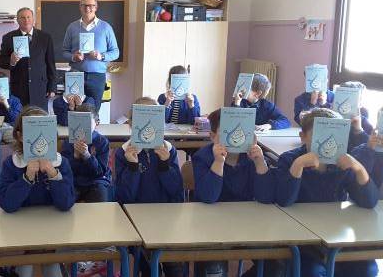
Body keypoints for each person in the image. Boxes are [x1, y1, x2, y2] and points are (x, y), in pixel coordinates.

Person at [276, 108, 378, 277]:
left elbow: (369, 201)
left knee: (368, 269)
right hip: (303, 241)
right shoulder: (289, 160)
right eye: (318, 134)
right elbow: (284, 200)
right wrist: (298, 166)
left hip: (335, 237)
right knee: (312, 272)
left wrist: (359, 169)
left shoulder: (341, 163)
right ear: (303, 137)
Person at [192, 108, 275, 277]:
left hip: (248, 224)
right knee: (213, 269)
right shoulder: (203, 157)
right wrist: (219, 162)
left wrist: (260, 162)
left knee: (277, 265)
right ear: (213, 136)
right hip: (210, 226)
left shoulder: (251, 157)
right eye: (226, 131)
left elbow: (266, 197)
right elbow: (208, 197)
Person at [0, 106, 74, 277]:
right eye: (30, 132)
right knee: (24, 270)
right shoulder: (12, 164)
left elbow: (66, 203)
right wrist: (27, 176)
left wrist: (53, 174)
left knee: (52, 270)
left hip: (54, 230)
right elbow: (7, 205)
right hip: (21, 231)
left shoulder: (61, 163)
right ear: (19, 136)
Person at [115, 97, 184, 277]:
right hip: (136, 221)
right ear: (131, 125)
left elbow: (177, 192)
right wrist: (132, 166)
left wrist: (164, 164)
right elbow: (124, 197)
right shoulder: (123, 153)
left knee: (174, 266)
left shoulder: (168, 150)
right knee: (146, 265)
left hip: (166, 219)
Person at [62, 0, 120, 111]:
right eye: (84, 5)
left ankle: (93, 129)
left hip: (97, 76)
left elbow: (115, 52)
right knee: (74, 110)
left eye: (91, 5)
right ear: (80, 7)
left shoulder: (106, 27)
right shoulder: (72, 27)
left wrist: (101, 56)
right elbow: (64, 52)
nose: (88, 8)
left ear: (96, 7)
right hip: (75, 74)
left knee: (94, 111)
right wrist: (74, 57)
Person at [0, 7, 57, 110]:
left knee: (39, 120)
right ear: (17, 20)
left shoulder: (45, 37)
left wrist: (52, 87)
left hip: (40, 87)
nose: (26, 20)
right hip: (19, 87)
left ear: (33, 19)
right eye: (22, 17)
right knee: (20, 119)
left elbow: (50, 63)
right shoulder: (8, 37)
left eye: (28, 17)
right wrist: (11, 61)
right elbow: (0, 61)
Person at [60, 103, 110, 202]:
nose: (82, 128)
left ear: (96, 123)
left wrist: (87, 156)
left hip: (95, 181)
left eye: (87, 123)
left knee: (101, 201)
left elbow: (100, 172)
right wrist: (76, 157)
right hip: (75, 181)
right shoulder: (68, 142)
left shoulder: (102, 142)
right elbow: (66, 170)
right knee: (65, 200)